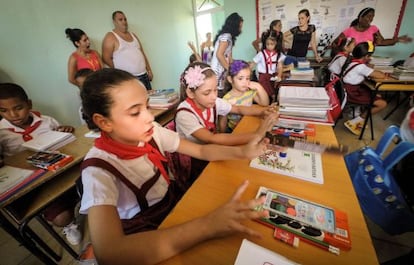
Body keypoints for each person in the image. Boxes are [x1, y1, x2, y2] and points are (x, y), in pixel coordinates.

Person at [78, 68, 272, 265]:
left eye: (147, 106)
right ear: (104, 122)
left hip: (171, 208)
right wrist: (208, 225)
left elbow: (202, 151)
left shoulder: (152, 134)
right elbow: (110, 253)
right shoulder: (98, 170)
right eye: (135, 112)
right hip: (144, 237)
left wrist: (242, 152)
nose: (149, 117)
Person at [0, 83, 81, 245]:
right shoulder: (1, 133)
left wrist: (64, 130)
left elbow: (63, 140)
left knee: (90, 184)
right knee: (61, 218)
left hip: (61, 172)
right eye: (4, 111)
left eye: (18, 108)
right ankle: (69, 225)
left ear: (29, 104)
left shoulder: (46, 121)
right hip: (36, 186)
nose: (13, 114)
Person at [175, 62, 277, 179]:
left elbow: (238, 109)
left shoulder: (212, 101)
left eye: (215, 90)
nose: (214, 96)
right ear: (190, 92)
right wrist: (257, 134)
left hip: (211, 150)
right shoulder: (184, 114)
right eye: (207, 92)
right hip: (194, 160)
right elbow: (211, 138)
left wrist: (263, 112)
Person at [341, 42, 388, 135]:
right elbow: (380, 75)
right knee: (382, 104)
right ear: (366, 56)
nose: (370, 58)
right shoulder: (361, 67)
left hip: (348, 89)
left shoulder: (352, 62)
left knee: (377, 95)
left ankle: (356, 115)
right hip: (352, 93)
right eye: (370, 56)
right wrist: (375, 70)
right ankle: (356, 121)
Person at [102, 10, 153, 90]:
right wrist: (120, 71)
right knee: (136, 101)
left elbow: (142, 53)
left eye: (125, 19)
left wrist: (149, 70)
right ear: (114, 22)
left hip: (144, 75)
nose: (124, 22)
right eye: (120, 19)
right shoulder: (110, 36)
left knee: (149, 100)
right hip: (129, 79)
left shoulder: (133, 35)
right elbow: (105, 58)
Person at [221, 60, 270, 133]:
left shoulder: (249, 93)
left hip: (249, 124)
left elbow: (265, 103)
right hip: (234, 131)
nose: (245, 82)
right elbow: (222, 121)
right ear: (230, 79)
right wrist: (223, 135)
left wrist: (259, 87)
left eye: (247, 78)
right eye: (240, 78)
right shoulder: (226, 99)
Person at [332, 7, 412, 48]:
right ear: (360, 18)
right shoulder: (349, 31)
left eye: (372, 17)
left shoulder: (373, 29)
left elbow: (381, 42)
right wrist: (343, 53)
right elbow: (334, 44)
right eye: (368, 16)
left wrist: (397, 39)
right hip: (350, 62)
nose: (371, 19)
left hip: (365, 61)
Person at [210, 12, 244, 97]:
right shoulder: (226, 36)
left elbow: (230, 58)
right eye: (240, 26)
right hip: (217, 72)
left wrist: (240, 66)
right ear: (235, 26)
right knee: (218, 95)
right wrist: (230, 69)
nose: (241, 28)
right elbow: (219, 55)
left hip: (222, 71)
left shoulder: (230, 38)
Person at [251, 33, 285, 101]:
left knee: (275, 88)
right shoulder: (261, 54)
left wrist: (279, 75)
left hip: (273, 75)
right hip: (263, 76)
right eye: (267, 44)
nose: (269, 46)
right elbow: (253, 63)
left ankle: (273, 99)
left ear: (276, 44)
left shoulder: (279, 54)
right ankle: (271, 98)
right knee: (265, 89)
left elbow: (280, 67)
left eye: (272, 44)